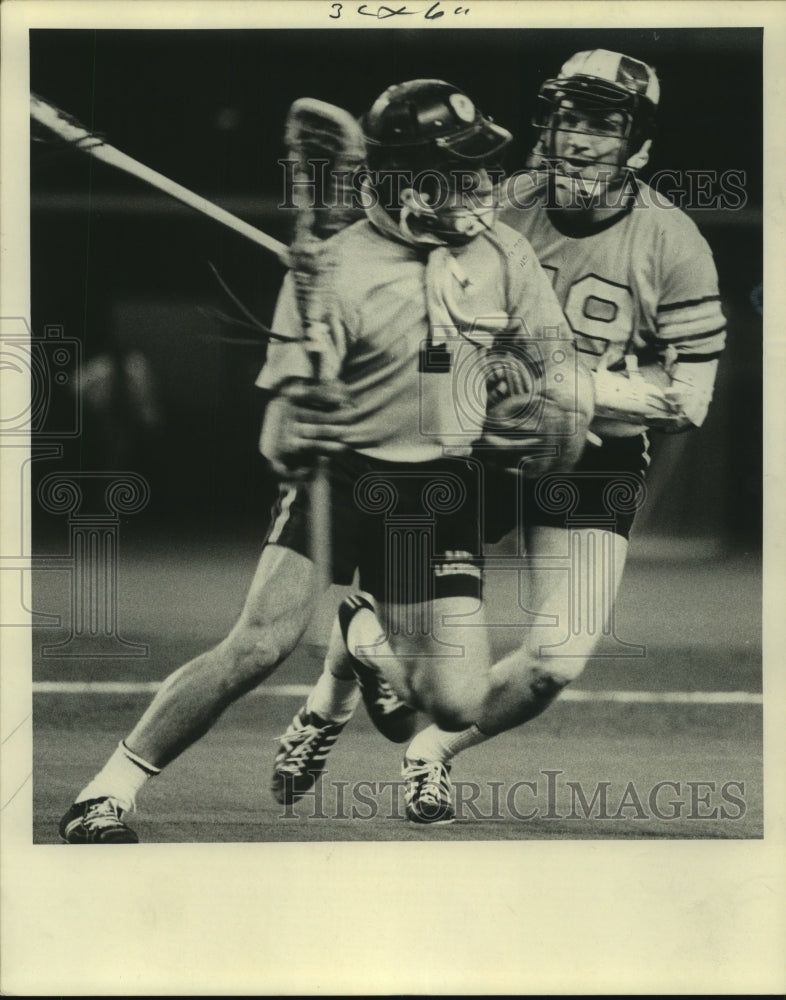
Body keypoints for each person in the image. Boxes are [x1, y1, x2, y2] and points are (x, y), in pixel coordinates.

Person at [58, 78, 586, 843]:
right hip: (339, 473)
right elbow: (275, 440)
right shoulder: (333, 270)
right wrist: (305, 422)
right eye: (460, 173)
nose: (480, 187)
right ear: (406, 178)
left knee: (454, 706)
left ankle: (362, 641)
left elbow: (554, 368)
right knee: (258, 644)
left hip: (435, 489)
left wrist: (531, 396)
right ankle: (105, 794)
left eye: (480, 170)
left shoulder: (504, 252)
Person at [279, 49, 727, 825]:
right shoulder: (499, 198)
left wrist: (568, 388)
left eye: (603, 124)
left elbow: (691, 400)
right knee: (415, 606)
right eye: (569, 119)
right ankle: (333, 694)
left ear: (639, 142)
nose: (581, 140)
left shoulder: (674, 240)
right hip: (475, 437)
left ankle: (429, 753)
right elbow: (399, 265)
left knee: (557, 662)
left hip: (596, 459)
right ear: (545, 126)